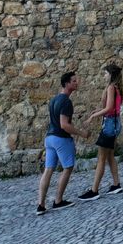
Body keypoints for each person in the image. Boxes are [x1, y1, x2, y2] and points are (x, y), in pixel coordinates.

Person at [37, 70, 90, 215]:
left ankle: (40, 205)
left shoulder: (54, 100)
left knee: (48, 170)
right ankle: (58, 201)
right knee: (68, 167)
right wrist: (82, 133)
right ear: (67, 84)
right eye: (74, 81)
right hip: (61, 138)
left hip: (49, 138)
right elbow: (64, 125)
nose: (76, 82)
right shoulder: (66, 101)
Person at [78, 63, 123, 200]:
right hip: (116, 123)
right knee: (110, 156)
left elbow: (109, 108)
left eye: (105, 73)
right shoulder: (117, 88)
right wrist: (97, 111)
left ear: (110, 75)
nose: (104, 76)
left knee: (101, 158)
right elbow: (113, 107)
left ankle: (94, 190)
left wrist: (92, 117)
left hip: (109, 125)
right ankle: (116, 184)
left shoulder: (110, 88)